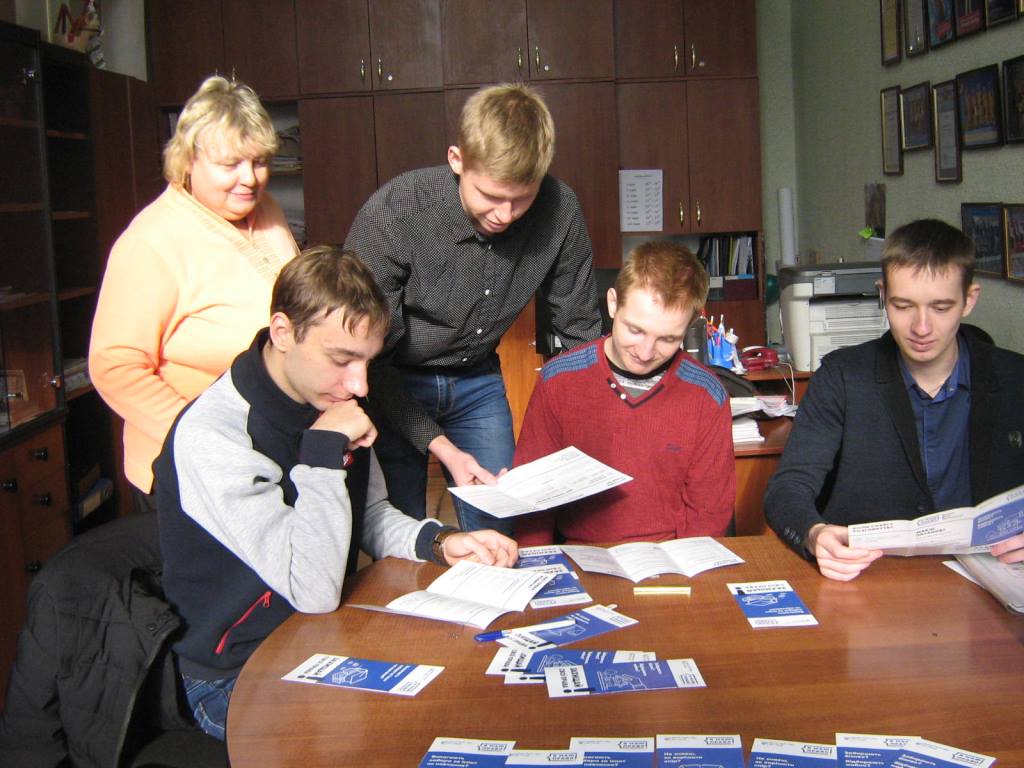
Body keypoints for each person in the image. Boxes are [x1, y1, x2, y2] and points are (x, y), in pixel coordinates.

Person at [153, 247, 518, 741]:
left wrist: (441, 542)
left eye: (367, 362)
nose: (359, 384)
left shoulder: (328, 395)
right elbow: (313, 591)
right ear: (283, 332)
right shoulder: (215, 435)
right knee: (399, 738)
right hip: (236, 670)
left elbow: (369, 513)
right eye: (342, 359)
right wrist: (323, 453)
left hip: (319, 636)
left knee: (468, 695)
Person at [344, 83, 601, 535]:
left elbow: (579, 328)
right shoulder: (394, 214)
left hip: (477, 379)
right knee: (405, 532)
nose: (505, 214)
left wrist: (584, 423)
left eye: (521, 198)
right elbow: (367, 359)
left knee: (501, 524)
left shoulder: (560, 210)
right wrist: (440, 445)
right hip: (392, 379)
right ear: (457, 160)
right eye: (490, 195)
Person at [765, 219, 1024, 581]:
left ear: (969, 300)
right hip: (870, 579)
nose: (921, 328)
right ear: (883, 294)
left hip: (991, 580)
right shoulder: (841, 377)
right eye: (903, 306)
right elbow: (787, 488)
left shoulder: (1015, 378)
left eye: (941, 307)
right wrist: (814, 533)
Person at [90, 75, 298, 512]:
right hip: (193, 469)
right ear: (188, 161)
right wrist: (203, 435)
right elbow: (114, 366)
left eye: (260, 161)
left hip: (268, 451)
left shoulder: (267, 211)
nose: (250, 179)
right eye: (230, 164)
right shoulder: (151, 241)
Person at [514, 241, 735, 546]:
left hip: (672, 555)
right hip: (580, 553)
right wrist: (538, 565)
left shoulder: (706, 395)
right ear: (613, 303)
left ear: (689, 327)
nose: (645, 352)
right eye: (635, 330)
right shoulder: (558, 381)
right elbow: (533, 500)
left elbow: (708, 511)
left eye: (668, 339)